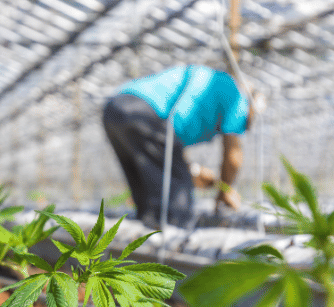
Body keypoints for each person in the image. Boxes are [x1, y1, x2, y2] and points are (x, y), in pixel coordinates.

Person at [102, 64, 254, 228]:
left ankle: (147, 245)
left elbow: (168, 152)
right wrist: (225, 190)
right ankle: (169, 244)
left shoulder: (213, 89)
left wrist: (193, 171)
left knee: (149, 202)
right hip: (145, 110)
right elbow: (233, 155)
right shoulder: (237, 96)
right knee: (177, 210)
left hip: (115, 109)